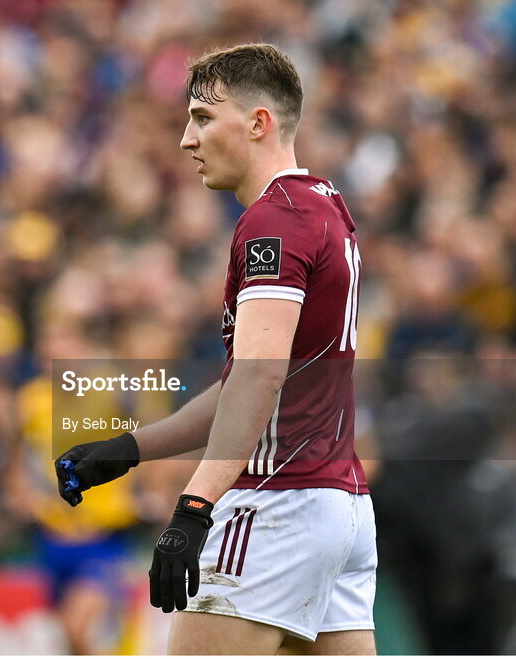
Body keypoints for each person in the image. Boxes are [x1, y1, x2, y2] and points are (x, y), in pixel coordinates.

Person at [54, 43, 377, 655]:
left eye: (203, 117)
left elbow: (259, 379)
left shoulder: (272, 222)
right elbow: (248, 387)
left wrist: (194, 507)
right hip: (340, 507)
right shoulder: (324, 205)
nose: (186, 138)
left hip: (273, 506)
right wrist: (130, 449)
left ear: (259, 123)